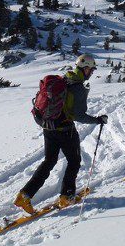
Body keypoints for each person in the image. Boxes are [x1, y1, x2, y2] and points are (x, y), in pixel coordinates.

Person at [14, 54, 108, 213]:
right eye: (91, 70)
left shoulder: (64, 79)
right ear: (84, 68)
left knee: (49, 161)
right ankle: (67, 196)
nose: (91, 73)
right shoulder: (78, 87)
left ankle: (24, 196)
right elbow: (79, 115)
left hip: (48, 127)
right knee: (74, 161)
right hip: (65, 130)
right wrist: (97, 120)